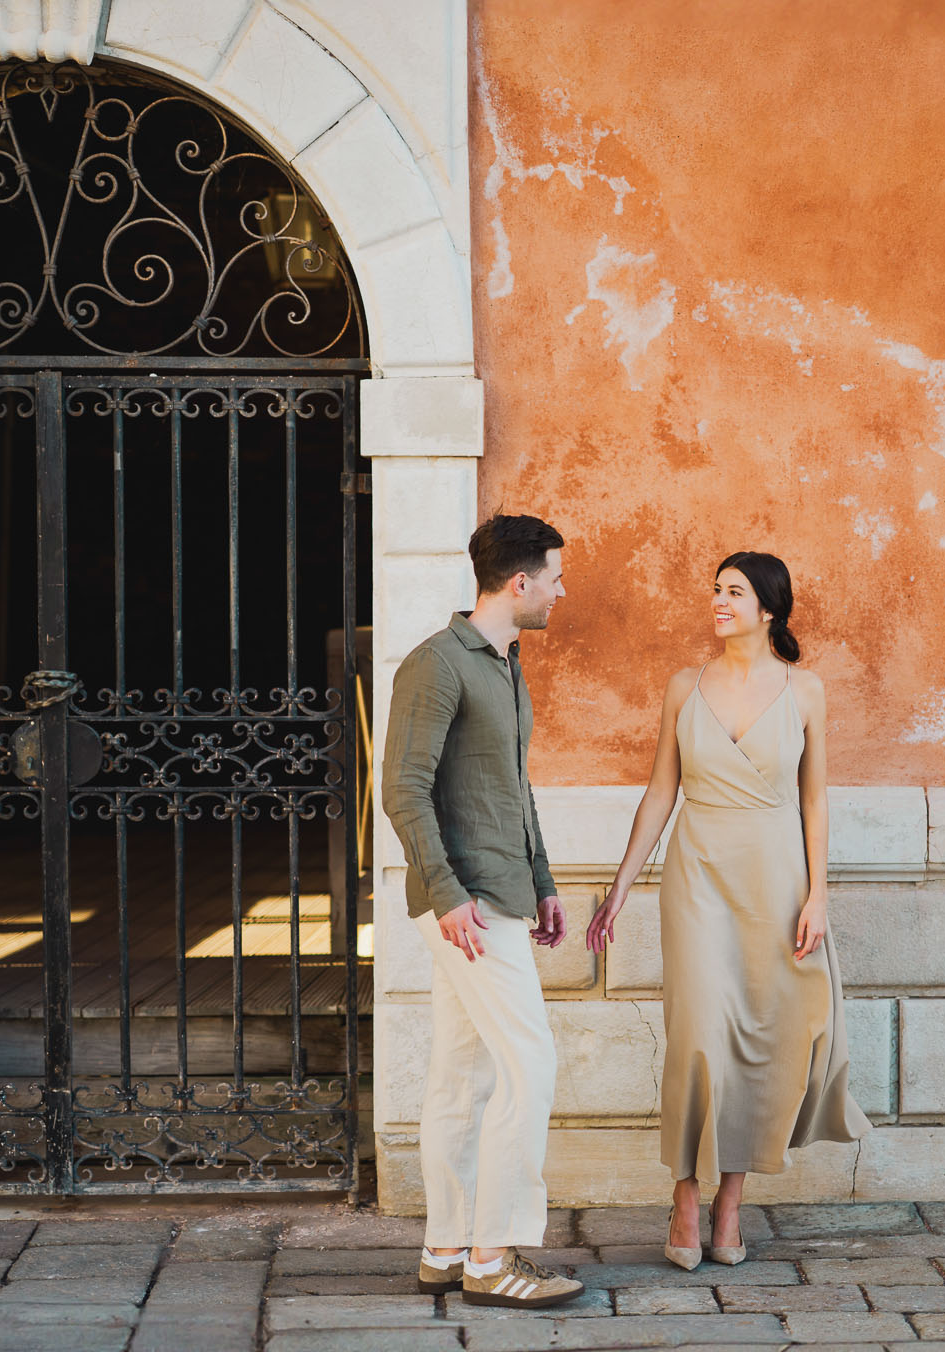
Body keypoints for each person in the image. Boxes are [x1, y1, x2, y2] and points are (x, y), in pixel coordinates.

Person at [585, 551, 869, 1270]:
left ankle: (730, 1203)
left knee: (761, 1040)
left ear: (768, 608)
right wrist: (620, 886)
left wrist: (819, 894)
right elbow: (659, 793)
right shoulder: (685, 685)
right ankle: (684, 1195)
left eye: (734, 592)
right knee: (700, 1037)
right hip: (698, 876)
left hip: (775, 881)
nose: (718, 600)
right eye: (715, 589)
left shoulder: (805, 691)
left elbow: (815, 797)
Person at [379, 513, 585, 1309]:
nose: (562, 592)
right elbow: (404, 788)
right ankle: (494, 1258)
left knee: (460, 1077)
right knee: (529, 1066)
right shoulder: (437, 664)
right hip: (465, 902)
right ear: (519, 581)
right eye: (556, 578)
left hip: (499, 891)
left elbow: (513, 785)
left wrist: (543, 880)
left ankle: (446, 1247)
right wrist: (451, 893)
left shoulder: (506, 661)